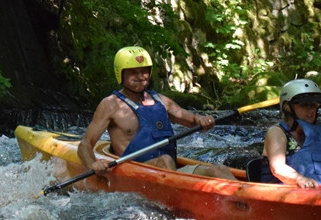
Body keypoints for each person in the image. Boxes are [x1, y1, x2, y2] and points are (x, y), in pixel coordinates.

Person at [78, 46, 236, 178]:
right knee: (165, 161)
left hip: (171, 173)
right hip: (136, 175)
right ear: (121, 74)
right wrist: (94, 166)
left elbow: (192, 119)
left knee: (219, 170)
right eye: (134, 72)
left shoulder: (161, 100)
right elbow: (85, 145)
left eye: (144, 71)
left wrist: (202, 120)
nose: (140, 77)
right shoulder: (110, 105)